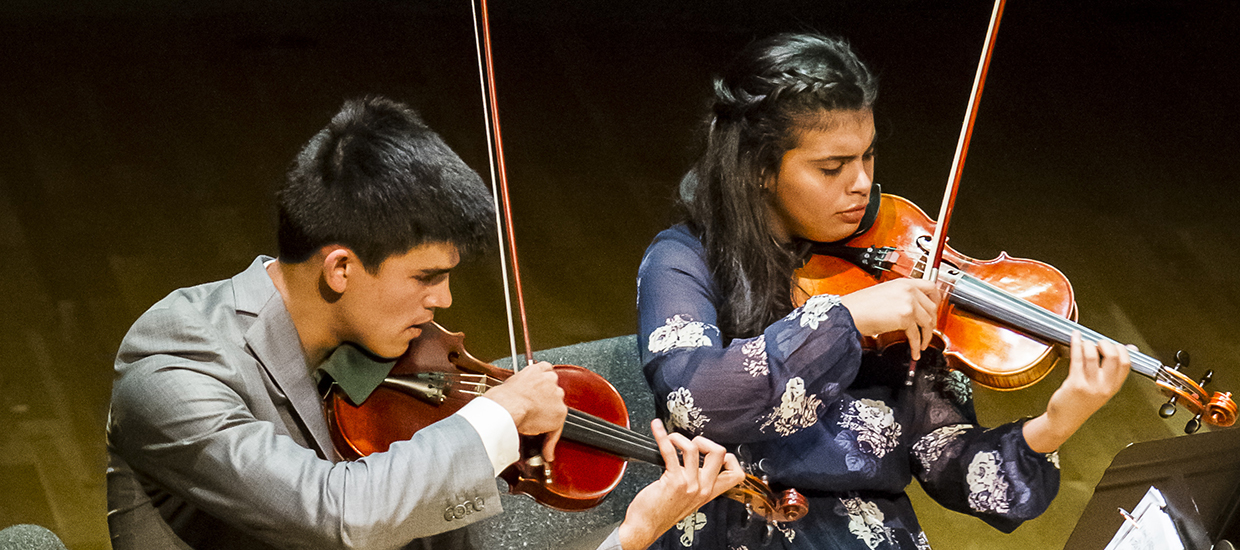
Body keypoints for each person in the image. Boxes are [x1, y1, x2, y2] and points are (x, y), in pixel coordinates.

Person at [105, 96, 745, 550]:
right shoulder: (175, 365)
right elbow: (338, 512)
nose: (442, 302)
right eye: (425, 277)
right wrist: (498, 416)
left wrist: (630, 532)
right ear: (340, 269)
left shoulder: (382, 358)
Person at [635, 33, 1132, 549]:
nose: (861, 184)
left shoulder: (887, 272)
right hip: (739, 530)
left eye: (867, 158)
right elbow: (695, 400)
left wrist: (1054, 423)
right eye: (832, 167)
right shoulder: (683, 259)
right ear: (760, 169)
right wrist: (843, 317)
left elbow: (945, 455)